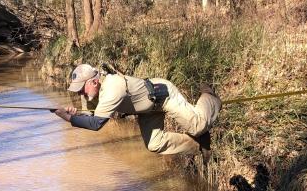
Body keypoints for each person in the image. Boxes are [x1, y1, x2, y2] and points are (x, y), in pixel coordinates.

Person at [52, 63, 221, 157]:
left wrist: (66, 118)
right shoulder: (90, 95)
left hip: (163, 95)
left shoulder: (112, 87)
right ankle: (198, 144)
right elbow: (90, 115)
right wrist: (74, 114)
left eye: (82, 88)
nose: (80, 92)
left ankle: (209, 97)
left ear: (94, 82)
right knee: (154, 145)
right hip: (147, 111)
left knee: (198, 126)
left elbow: (96, 124)